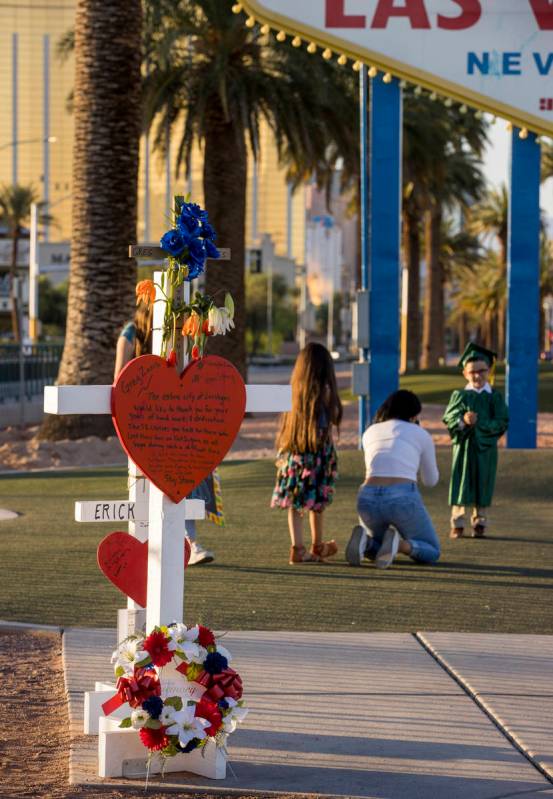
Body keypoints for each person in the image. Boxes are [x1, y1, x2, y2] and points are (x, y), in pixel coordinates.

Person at [114, 294, 215, 566]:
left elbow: (119, 380)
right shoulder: (137, 333)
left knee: (178, 479)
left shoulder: (166, 334)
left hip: (151, 420)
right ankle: (172, 544)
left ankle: (185, 543)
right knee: (168, 480)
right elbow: (120, 380)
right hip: (156, 421)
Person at [345, 390, 440, 569]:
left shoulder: (369, 432)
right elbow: (430, 480)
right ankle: (400, 545)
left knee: (377, 550)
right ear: (413, 415)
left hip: (367, 496)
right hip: (402, 496)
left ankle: (365, 542)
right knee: (432, 551)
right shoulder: (420, 434)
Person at [271, 343, 343, 564]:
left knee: (295, 503)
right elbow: (330, 423)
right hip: (317, 457)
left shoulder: (294, 394)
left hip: (294, 457)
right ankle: (317, 546)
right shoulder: (324, 396)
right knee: (316, 503)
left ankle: (297, 548)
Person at [443, 342, 509, 539]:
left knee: (483, 482)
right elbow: (449, 418)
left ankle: (480, 522)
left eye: (482, 371)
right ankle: (457, 523)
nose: (477, 376)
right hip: (463, 447)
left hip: (485, 448)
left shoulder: (494, 398)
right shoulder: (460, 396)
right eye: (472, 372)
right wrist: (462, 421)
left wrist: (479, 424)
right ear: (464, 373)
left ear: (489, 371)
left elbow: (502, 422)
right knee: (461, 483)